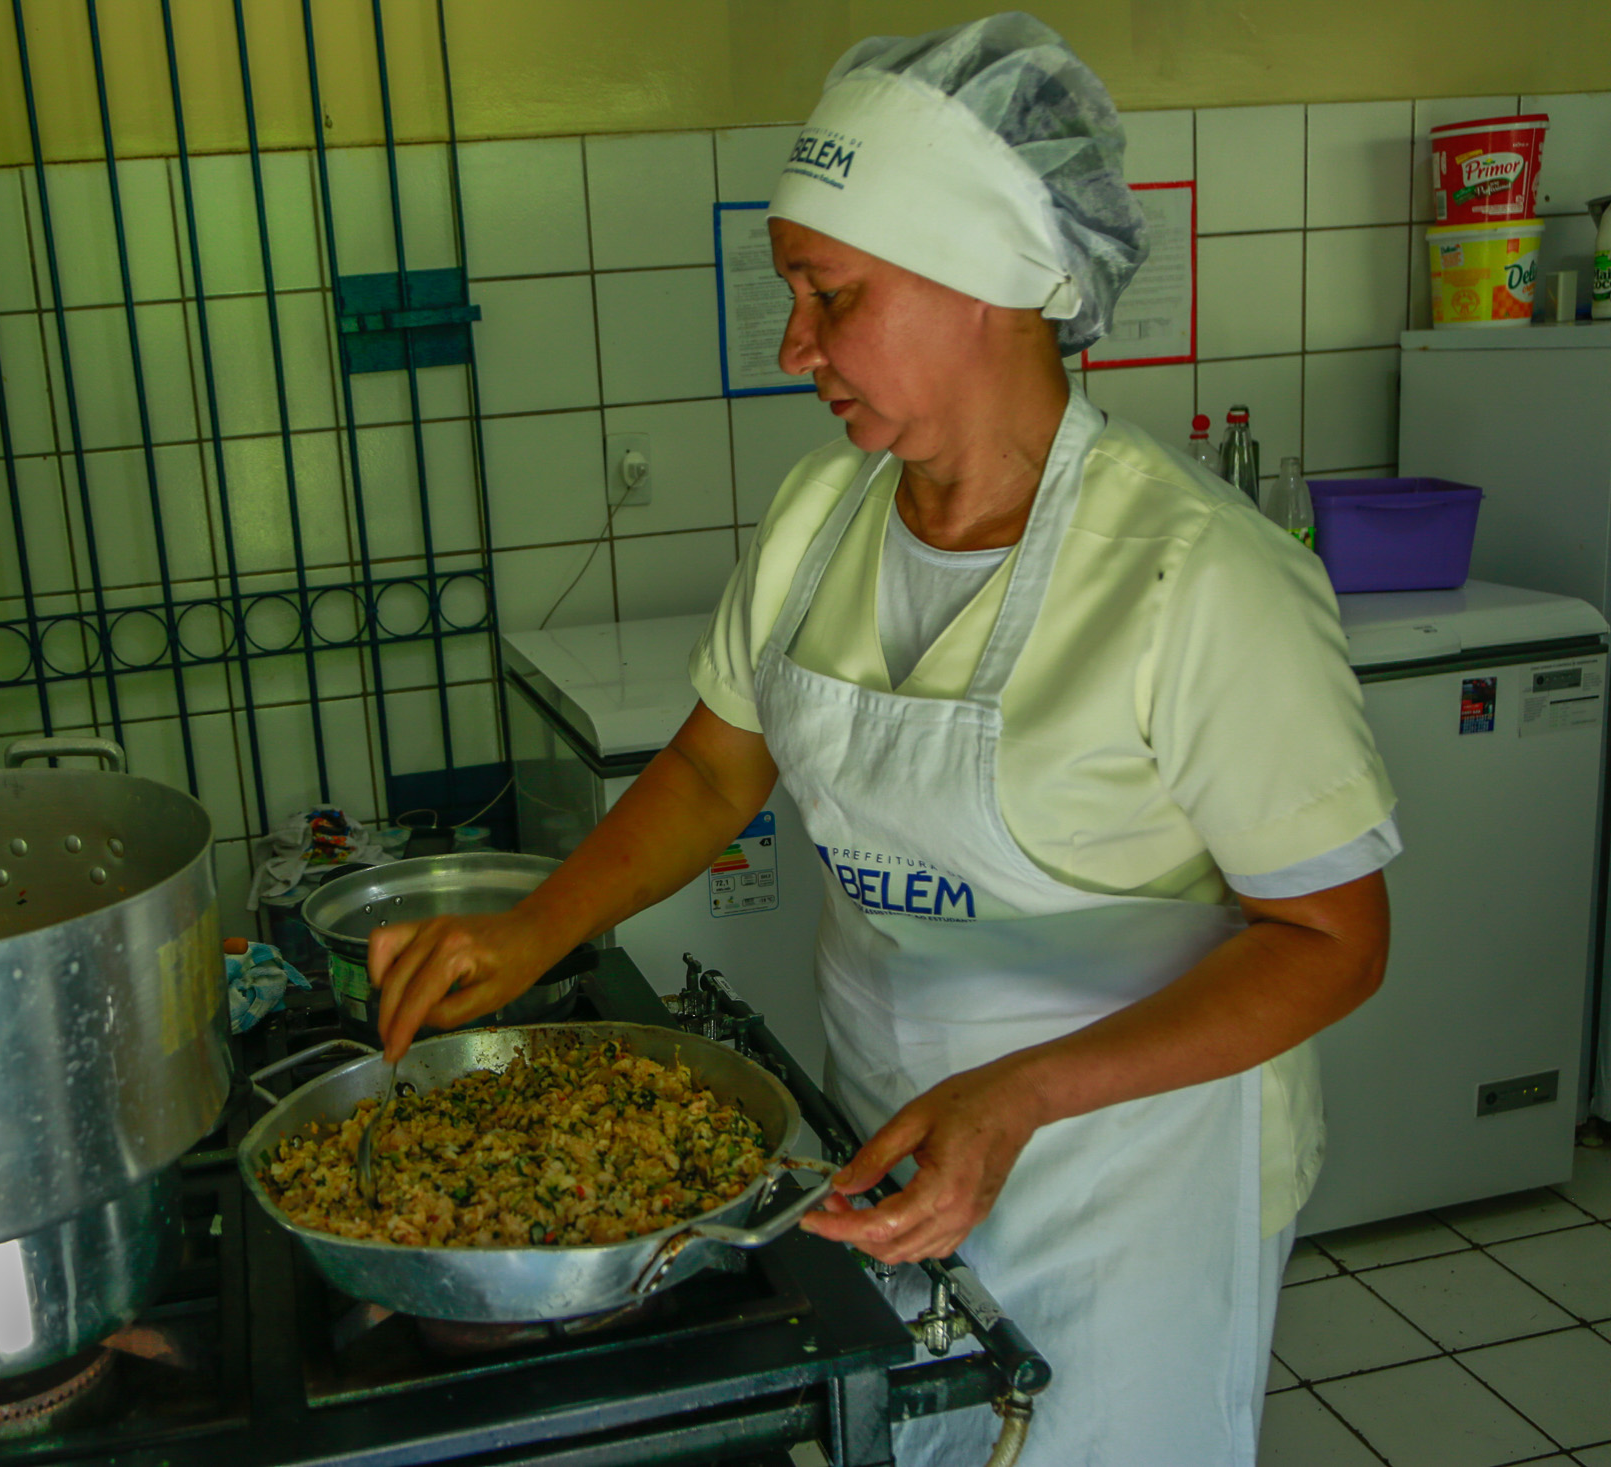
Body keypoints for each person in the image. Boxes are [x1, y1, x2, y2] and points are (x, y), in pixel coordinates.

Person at [369, 14, 1398, 1463]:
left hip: (1131, 1187)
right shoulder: (822, 518)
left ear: (989, 282)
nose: (797, 345)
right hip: (888, 1137)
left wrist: (1017, 1096)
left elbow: (1334, 940)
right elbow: (719, 763)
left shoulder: (1197, 579)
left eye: (831, 295)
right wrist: (535, 928)